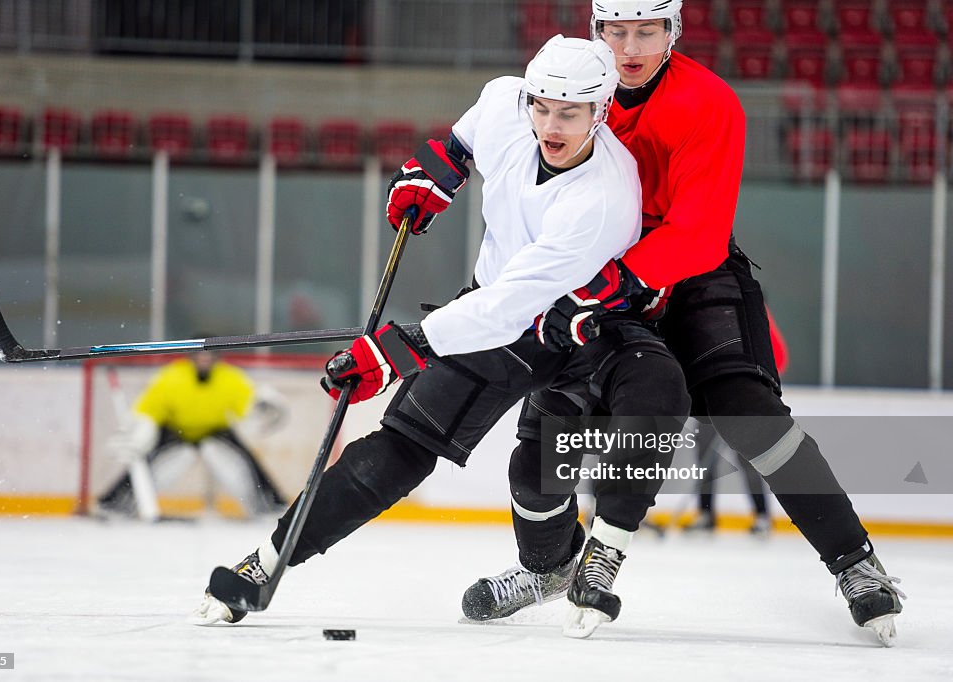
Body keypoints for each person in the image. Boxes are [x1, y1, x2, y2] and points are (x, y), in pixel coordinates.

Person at [193, 35, 691, 628]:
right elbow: (462, 141)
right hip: (500, 310)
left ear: (601, 110)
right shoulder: (505, 103)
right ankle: (265, 564)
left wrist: (400, 348)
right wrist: (435, 174)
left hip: (587, 323)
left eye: (570, 113)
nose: (550, 125)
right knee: (401, 446)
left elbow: (513, 304)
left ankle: (605, 551)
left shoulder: (604, 197)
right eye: (541, 107)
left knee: (656, 391)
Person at [459, 1, 904, 645]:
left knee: (748, 412)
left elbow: (699, 230)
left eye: (648, 31)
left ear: (674, 32)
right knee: (549, 422)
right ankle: (548, 566)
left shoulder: (708, 101)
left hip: (687, 270)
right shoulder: (564, 95)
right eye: (616, 31)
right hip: (594, 269)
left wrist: (610, 284)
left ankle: (857, 563)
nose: (631, 47)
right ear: (595, 33)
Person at [97, 350, 287, 520]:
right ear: (190, 357)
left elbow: (247, 409)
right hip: (175, 429)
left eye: (209, 357)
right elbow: (149, 410)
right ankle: (114, 504)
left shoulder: (231, 377)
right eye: (199, 356)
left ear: (217, 358)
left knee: (247, 462)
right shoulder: (171, 376)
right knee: (145, 463)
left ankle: (271, 505)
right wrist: (139, 434)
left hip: (215, 430)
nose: (204, 361)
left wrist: (261, 405)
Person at [684, 311, 787, 534]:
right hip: (710, 401)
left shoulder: (756, 317)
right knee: (704, 457)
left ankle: (761, 515)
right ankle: (705, 513)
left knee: (748, 459)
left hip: (743, 403)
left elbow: (778, 357)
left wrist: (756, 386)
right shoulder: (707, 315)